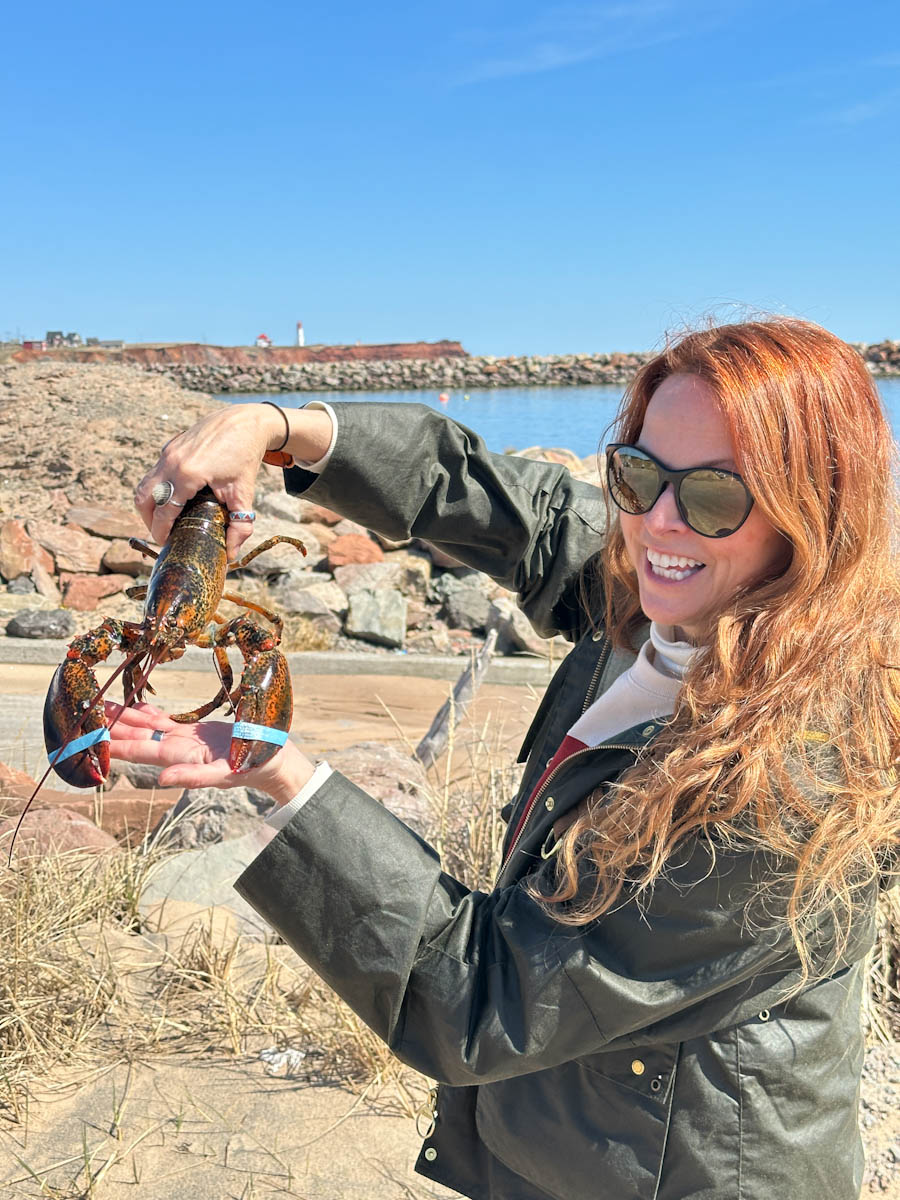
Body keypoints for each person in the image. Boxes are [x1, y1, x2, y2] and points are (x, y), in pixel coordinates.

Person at [111, 319, 899, 1200]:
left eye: (716, 496)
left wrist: (290, 779)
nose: (656, 522)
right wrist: (279, 425)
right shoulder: (676, 595)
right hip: (577, 1137)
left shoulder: (786, 778)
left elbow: (483, 998)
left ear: (814, 507)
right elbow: (525, 510)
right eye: (637, 475)